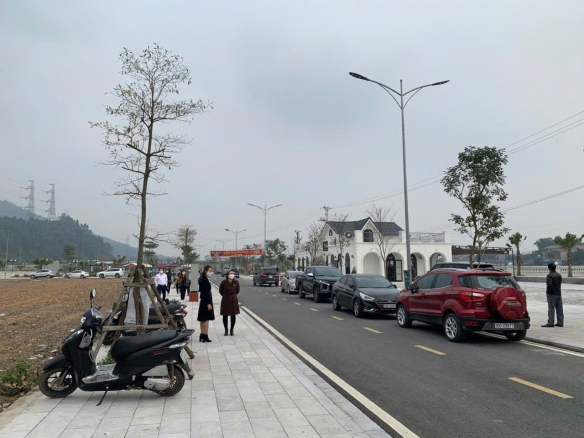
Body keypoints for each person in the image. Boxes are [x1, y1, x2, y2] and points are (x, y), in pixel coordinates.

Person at [542, 262, 564, 327]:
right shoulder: (559, 275)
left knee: (551, 308)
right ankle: (560, 322)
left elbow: (549, 285)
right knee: (559, 308)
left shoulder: (549, 276)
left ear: (549, 268)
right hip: (558, 293)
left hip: (552, 294)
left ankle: (551, 322)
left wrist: (547, 293)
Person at [219, 270, 240, 336]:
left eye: (233, 273)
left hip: (233, 300)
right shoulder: (223, 282)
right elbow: (221, 291)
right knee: (225, 315)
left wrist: (232, 296)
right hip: (225, 300)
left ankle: (231, 330)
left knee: (233, 315)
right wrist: (226, 296)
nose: (232, 275)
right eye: (231, 273)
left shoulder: (236, 282)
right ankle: (226, 330)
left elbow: (237, 290)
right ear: (227, 275)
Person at [197, 265, 215, 342]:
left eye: (211, 271)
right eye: (210, 271)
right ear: (205, 271)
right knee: (206, 319)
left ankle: (202, 334)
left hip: (203, 300)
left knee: (202, 319)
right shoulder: (204, 280)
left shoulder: (202, 279)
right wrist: (208, 303)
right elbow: (206, 292)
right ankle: (205, 335)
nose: (211, 272)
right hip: (206, 301)